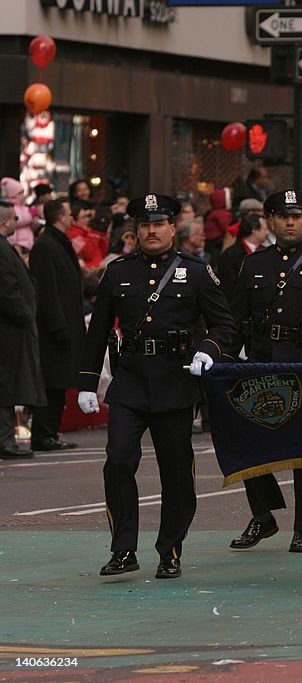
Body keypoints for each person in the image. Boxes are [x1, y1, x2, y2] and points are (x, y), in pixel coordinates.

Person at [77, 193, 236, 579]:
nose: (151, 230)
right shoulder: (117, 272)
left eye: (158, 224)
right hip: (130, 380)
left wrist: (208, 350)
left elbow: (225, 325)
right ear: (135, 229)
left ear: (171, 228)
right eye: (144, 224)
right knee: (117, 460)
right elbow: (98, 332)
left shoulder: (196, 272)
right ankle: (123, 549)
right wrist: (85, 382)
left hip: (175, 380)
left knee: (176, 472)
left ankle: (171, 550)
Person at [228, 189, 302, 554]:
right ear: (270, 220)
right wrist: (223, 357)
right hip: (262, 361)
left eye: (297, 216)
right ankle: (263, 515)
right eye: (283, 216)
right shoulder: (254, 264)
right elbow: (236, 317)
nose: (291, 222)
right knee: (249, 444)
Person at [30, 199, 87, 452]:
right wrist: (58, 326)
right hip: (53, 329)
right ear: (58, 217)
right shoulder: (45, 246)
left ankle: (50, 432)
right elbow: (47, 291)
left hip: (64, 325)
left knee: (58, 384)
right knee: (51, 383)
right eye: (68, 213)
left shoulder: (57, 243)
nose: (71, 217)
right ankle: (44, 433)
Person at [0, 200, 45, 459]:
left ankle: (6, 439)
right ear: (6, 221)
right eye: (14, 219)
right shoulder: (2, 249)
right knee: (6, 388)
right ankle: (5, 440)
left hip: (12, 329)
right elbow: (7, 290)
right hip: (9, 331)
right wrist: (26, 315)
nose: (18, 223)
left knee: (8, 387)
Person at [217, 212, 269, 302]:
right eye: (265, 229)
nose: (267, 232)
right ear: (254, 230)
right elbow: (228, 286)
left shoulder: (266, 252)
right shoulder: (230, 255)